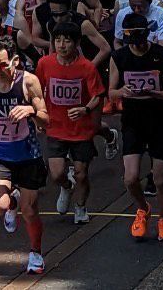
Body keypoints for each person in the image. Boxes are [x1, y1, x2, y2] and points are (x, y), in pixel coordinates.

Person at [0, 35, 49, 275]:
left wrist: (31, 110)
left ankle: (35, 253)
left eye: (2, 65)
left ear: (15, 60)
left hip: (27, 154)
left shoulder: (29, 82)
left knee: (30, 211)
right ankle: (11, 199)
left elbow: (46, 119)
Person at [110, 13, 163, 243]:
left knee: (159, 178)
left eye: (139, 41)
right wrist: (122, 92)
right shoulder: (119, 57)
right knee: (130, 178)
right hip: (133, 120)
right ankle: (143, 208)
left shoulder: (162, 55)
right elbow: (111, 91)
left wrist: (156, 94)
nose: (136, 47)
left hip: (159, 119)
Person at [37, 23, 105, 225]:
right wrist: (38, 117)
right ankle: (66, 186)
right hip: (56, 127)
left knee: (82, 173)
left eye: (67, 40)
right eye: (58, 40)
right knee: (56, 173)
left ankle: (81, 207)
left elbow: (98, 95)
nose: (61, 45)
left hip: (81, 130)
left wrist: (85, 109)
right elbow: (37, 91)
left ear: (76, 43)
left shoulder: (87, 67)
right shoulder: (44, 63)